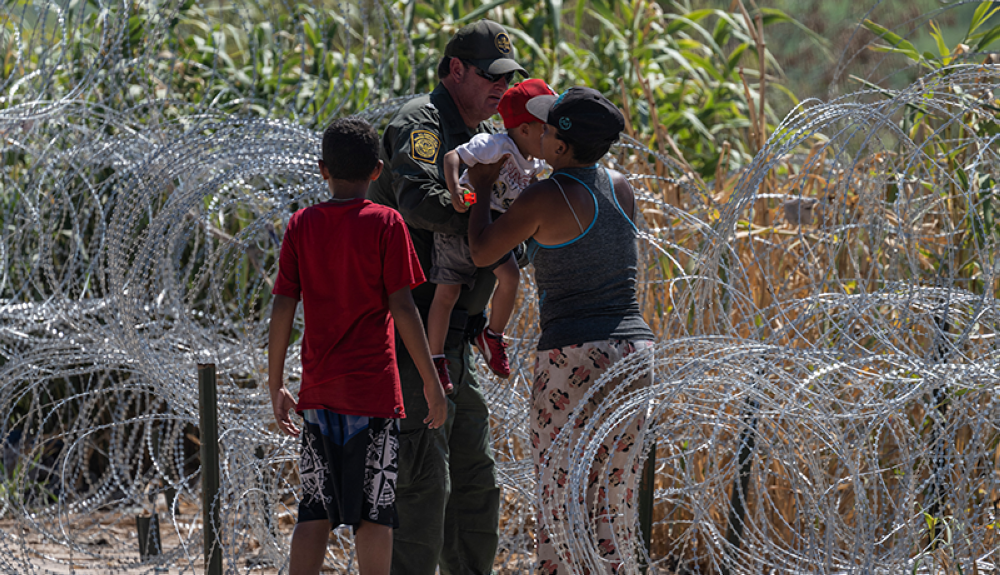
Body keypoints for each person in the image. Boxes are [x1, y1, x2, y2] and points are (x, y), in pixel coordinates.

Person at [465, 87, 655, 574]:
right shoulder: (621, 186)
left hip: (572, 353)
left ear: (562, 148)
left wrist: (484, 186)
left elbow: (484, 251)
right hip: (633, 351)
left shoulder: (546, 196)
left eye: (548, 131)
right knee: (612, 501)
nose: (541, 136)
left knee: (560, 492)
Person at [367, 18, 526, 575]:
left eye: (508, 79)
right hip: (412, 337)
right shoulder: (424, 124)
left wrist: (504, 230)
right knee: (421, 484)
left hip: (456, 338)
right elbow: (421, 203)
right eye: (490, 75)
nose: (500, 88)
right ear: (455, 70)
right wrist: (485, 218)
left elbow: (515, 231)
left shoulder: (496, 138)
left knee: (474, 482)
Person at [268, 117, 448, 575]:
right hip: (373, 395)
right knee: (375, 514)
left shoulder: (301, 225)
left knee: (314, 511)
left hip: (319, 394)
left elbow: (282, 309)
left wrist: (276, 385)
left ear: (321, 168)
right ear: (378, 170)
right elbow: (404, 308)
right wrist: (430, 381)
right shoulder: (386, 222)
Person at [427, 78, 556, 383]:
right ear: (524, 130)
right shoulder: (496, 145)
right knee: (447, 294)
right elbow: (452, 157)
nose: (551, 135)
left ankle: (492, 336)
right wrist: (455, 187)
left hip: (495, 230)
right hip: (462, 223)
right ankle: (435, 359)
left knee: (511, 277)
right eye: (546, 129)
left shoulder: (534, 162)